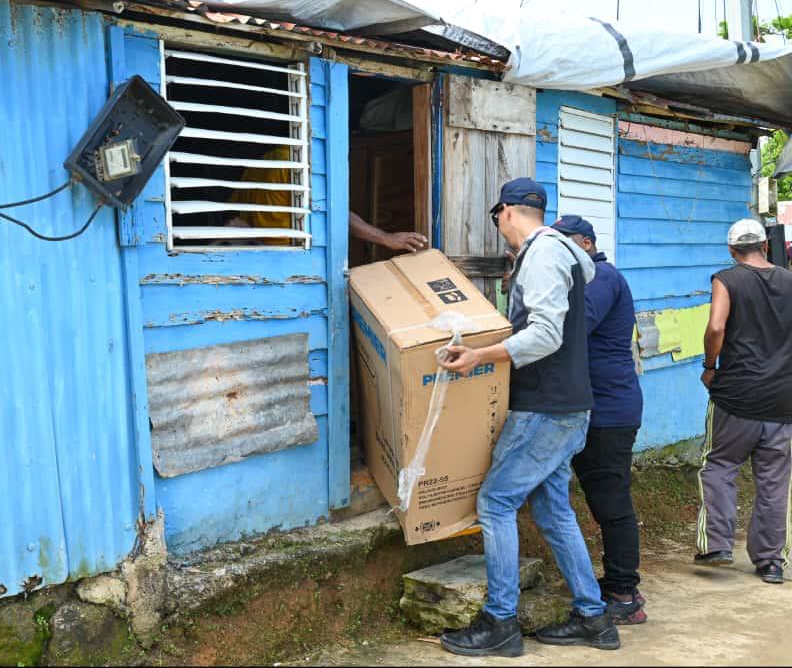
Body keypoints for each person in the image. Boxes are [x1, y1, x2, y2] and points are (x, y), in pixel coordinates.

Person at [437, 178, 618, 658]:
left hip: (546, 408)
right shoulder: (558, 255)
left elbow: (544, 336)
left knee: (496, 501)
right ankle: (594, 617)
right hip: (562, 406)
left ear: (507, 212)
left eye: (496, 216)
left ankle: (500, 622)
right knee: (553, 510)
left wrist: (480, 356)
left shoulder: (543, 254)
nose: (497, 224)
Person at [551, 215, 646, 624]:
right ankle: (617, 585)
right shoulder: (584, 279)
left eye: (564, 246)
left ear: (586, 244)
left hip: (609, 411)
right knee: (602, 499)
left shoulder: (602, 277)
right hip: (595, 407)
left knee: (611, 501)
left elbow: (575, 324)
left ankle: (624, 593)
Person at [696, 218, 792, 585]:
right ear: (765, 246)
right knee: (774, 480)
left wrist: (710, 366)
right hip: (782, 400)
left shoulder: (727, 279)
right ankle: (770, 562)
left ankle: (717, 545)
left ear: (732, 250)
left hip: (735, 396)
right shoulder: (789, 281)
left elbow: (716, 327)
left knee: (719, 466)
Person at [230, 145, 428, 252]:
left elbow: (235, 218)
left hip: (255, 258)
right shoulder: (295, 167)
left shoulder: (259, 166)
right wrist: (386, 238)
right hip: (290, 260)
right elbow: (336, 214)